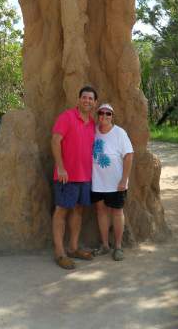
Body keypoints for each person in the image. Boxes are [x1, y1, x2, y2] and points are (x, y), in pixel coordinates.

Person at [51, 86, 98, 269]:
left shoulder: (93, 124)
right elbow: (55, 141)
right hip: (66, 176)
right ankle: (60, 253)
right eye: (84, 97)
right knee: (61, 211)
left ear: (94, 103)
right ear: (78, 100)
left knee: (78, 211)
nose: (87, 101)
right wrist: (61, 168)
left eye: (90, 98)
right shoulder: (67, 117)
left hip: (85, 176)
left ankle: (73, 248)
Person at [91, 103, 134, 261]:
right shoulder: (93, 131)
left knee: (117, 212)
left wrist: (124, 179)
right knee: (101, 212)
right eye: (101, 113)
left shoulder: (119, 133)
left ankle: (118, 247)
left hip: (116, 183)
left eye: (108, 113)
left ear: (112, 116)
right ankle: (104, 245)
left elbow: (129, 155)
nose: (104, 116)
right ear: (98, 115)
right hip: (97, 182)